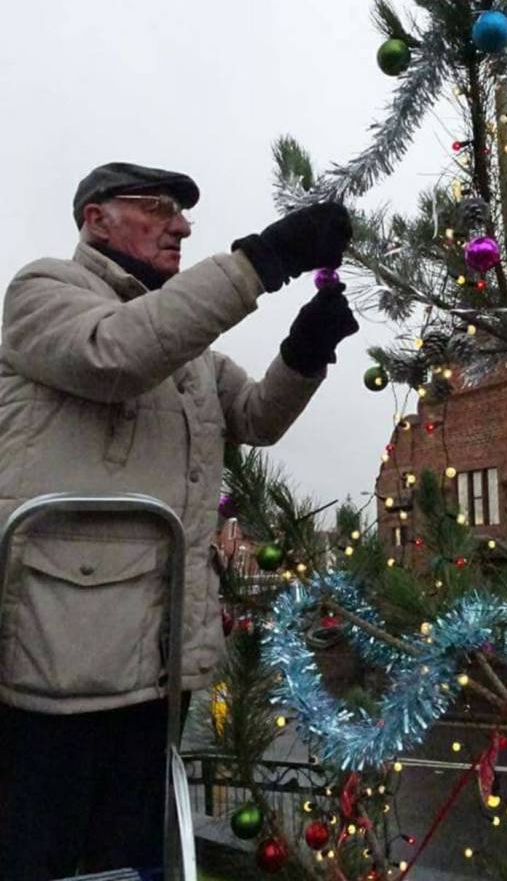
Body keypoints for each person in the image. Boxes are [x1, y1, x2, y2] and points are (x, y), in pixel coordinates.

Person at [0, 161, 358, 880]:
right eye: (160, 209)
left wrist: (305, 351)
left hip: (159, 667)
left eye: (184, 213)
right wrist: (264, 259)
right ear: (97, 219)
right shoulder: (43, 292)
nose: (183, 227)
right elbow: (116, 354)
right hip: (57, 663)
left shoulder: (188, 352)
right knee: (40, 855)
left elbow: (255, 418)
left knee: (135, 861)